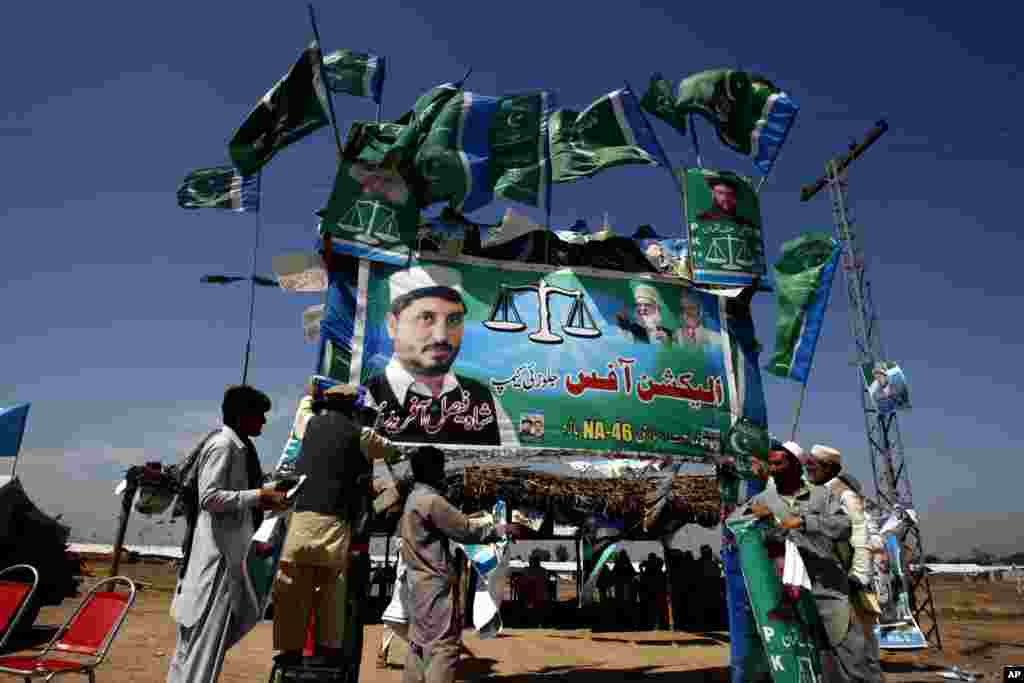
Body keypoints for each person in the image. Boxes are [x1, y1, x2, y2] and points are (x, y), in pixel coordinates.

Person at [271, 383, 400, 668]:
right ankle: (329, 649)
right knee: (331, 589)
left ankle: (289, 652)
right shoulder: (361, 434)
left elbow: (303, 410)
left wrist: (309, 393)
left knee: (292, 589)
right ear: (353, 409)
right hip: (335, 523)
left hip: (300, 521)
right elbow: (392, 451)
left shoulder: (309, 424)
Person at [167, 385, 289, 683]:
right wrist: (259, 496)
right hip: (218, 563)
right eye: (259, 415)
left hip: (226, 558)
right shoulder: (224, 445)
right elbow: (209, 498)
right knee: (202, 652)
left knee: (195, 651)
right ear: (241, 415)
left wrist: (265, 492)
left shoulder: (238, 447)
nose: (263, 421)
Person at [745, 443, 879, 683]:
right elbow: (743, 532)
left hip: (826, 588)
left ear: (795, 466)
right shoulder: (760, 501)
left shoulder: (823, 495)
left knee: (851, 651)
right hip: (786, 593)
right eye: (770, 464)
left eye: (779, 463)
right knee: (801, 654)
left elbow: (844, 526)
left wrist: (804, 522)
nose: (773, 469)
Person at [399, 446, 525, 683]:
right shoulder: (432, 501)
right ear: (433, 470)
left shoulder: (412, 499)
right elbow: (465, 530)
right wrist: (501, 529)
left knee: (418, 645)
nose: (444, 474)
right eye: (441, 468)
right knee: (443, 647)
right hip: (435, 587)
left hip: (416, 585)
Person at [364, 264, 518, 446]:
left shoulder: (484, 400)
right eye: (426, 318)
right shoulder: (369, 397)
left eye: (453, 320)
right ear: (392, 325)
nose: (441, 336)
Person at [803, 444, 884, 681]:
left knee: (854, 645)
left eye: (813, 466)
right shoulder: (814, 491)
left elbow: (861, 535)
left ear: (829, 468)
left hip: (847, 579)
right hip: (823, 579)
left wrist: (859, 575)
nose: (809, 470)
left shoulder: (843, 494)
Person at [640, 553, 669, 630]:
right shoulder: (658, 568)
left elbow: (643, 579)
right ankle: (662, 624)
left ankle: (654, 624)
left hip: (651, 591)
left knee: (652, 609)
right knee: (659, 609)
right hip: (658, 591)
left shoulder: (648, 568)